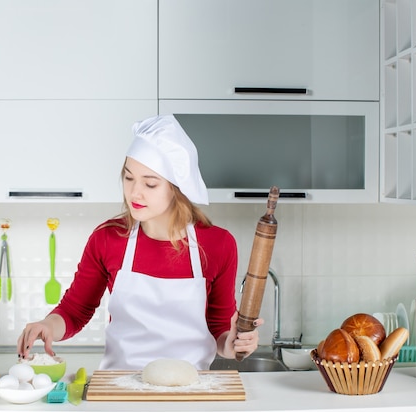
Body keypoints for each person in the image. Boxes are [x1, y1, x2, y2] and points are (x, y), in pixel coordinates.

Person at [17, 114, 262, 370]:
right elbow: (75, 310)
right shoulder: (108, 238)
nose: (135, 192)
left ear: (177, 188)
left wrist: (234, 344)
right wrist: (47, 325)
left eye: (150, 183)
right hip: (120, 389)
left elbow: (219, 329)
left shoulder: (217, 244)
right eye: (129, 177)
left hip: (189, 391)